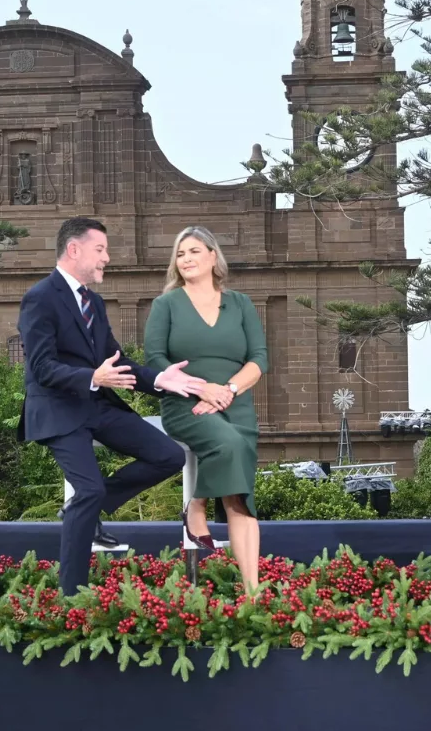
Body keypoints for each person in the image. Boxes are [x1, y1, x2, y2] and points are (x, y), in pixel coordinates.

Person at [17, 217, 207, 595]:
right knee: (87, 492)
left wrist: (160, 380)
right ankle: (71, 597)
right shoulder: (40, 297)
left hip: (98, 406)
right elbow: (41, 368)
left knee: (169, 456)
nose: (107, 258)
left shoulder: (94, 302)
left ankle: (88, 509)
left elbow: (117, 363)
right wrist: (92, 377)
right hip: (59, 409)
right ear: (74, 250)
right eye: (100, 249)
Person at [143, 226, 268, 595]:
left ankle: (252, 595)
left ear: (214, 256)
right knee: (229, 445)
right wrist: (202, 389)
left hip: (236, 404)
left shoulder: (241, 304)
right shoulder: (166, 305)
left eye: (194, 251)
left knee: (239, 498)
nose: (186, 259)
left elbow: (259, 359)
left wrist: (226, 392)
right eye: (180, 254)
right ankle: (196, 505)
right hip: (187, 404)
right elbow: (155, 360)